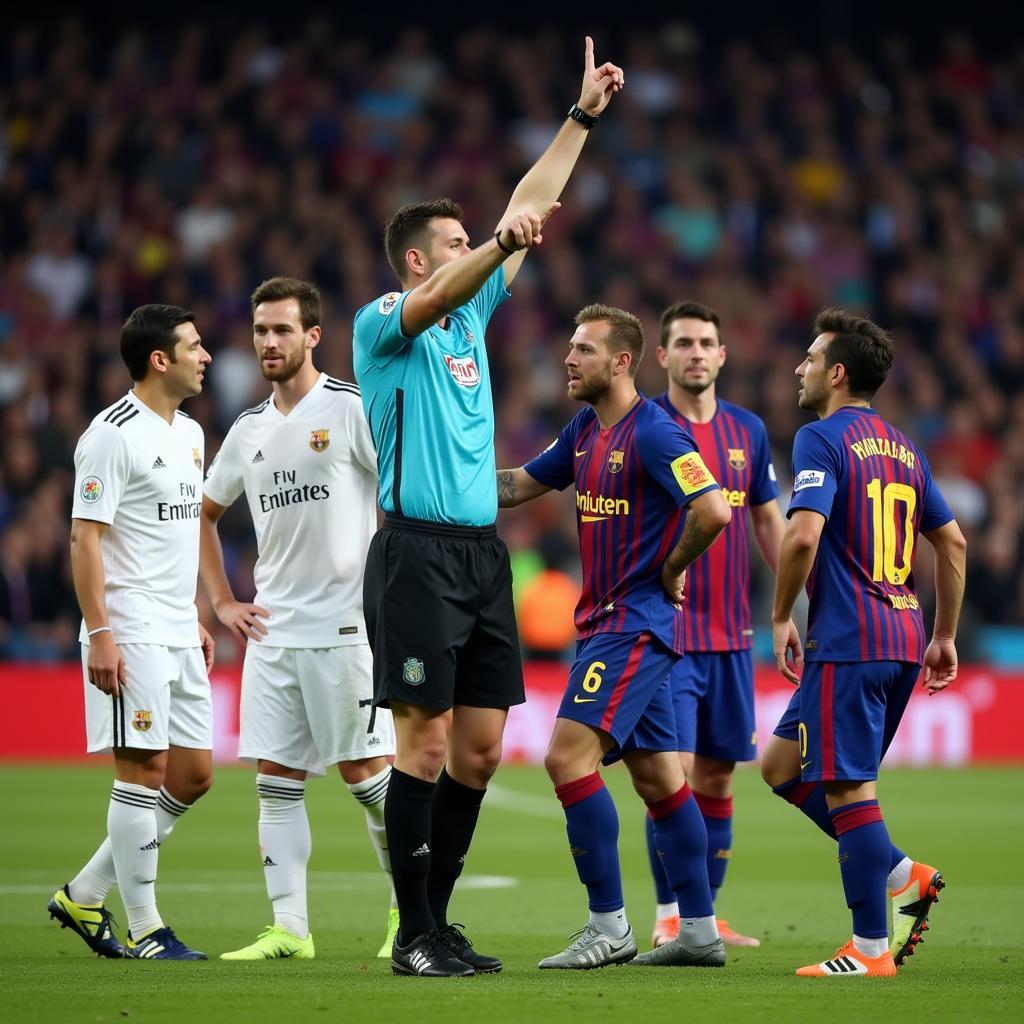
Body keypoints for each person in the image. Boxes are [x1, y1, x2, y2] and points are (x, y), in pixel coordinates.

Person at [353, 38, 624, 978]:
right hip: (415, 553)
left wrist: (580, 118)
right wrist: (496, 250)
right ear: (420, 259)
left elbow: (528, 205)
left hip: (481, 555)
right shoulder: (385, 324)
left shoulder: (468, 317)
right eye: (458, 245)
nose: (478, 249)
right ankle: (413, 934)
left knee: (478, 751)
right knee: (421, 743)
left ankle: (436, 921)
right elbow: (447, 286)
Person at [497, 304, 732, 970]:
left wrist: (671, 567)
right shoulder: (582, 430)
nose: (567, 360)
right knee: (659, 779)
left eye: (581, 350)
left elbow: (712, 509)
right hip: (611, 624)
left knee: (565, 760)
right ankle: (698, 932)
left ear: (621, 361)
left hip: (631, 624)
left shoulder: (655, 434)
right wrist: (436, 490)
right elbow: (517, 487)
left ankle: (609, 927)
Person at [761, 309, 966, 978]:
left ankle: (871, 948)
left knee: (849, 791)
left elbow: (800, 535)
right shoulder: (905, 448)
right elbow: (953, 541)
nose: (800, 368)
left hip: (850, 637)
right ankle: (903, 872)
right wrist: (943, 635)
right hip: (903, 635)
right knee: (782, 768)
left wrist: (781, 613)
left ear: (838, 372)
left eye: (811, 358)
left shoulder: (821, 438)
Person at [200, 277, 397, 961]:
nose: (269, 343)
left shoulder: (350, 408)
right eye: (260, 331)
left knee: (369, 777)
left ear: (314, 336)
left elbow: (398, 495)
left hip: (346, 627)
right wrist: (223, 600)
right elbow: (206, 511)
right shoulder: (249, 429)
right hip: (273, 631)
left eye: (283, 330)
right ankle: (290, 928)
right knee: (275, 780)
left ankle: (410, 908)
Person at [49, 304, 215, 960]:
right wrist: (101, 632)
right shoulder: (111, 435)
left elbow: (174, 532)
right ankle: (147, 928)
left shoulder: (192, 433)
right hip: (131, 624)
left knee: (195, 773)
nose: (205, 356)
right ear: (160, 359)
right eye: (194, 347)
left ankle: (83, 894)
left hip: (177, 625)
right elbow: (82, 538)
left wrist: (197, 611)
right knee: (143, 770)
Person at [645, 301, 787, 949]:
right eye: (684, 343)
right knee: (668, 779)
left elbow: (765, 518)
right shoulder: (646, 427)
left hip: (731, 637)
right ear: (663, 356)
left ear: (723, 355)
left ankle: (707, 916)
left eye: (707, 342)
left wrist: (787, 606)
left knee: (718, 779)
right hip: (666, 633)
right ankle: (669, 916)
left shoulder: (748, 431)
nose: (696, 352)